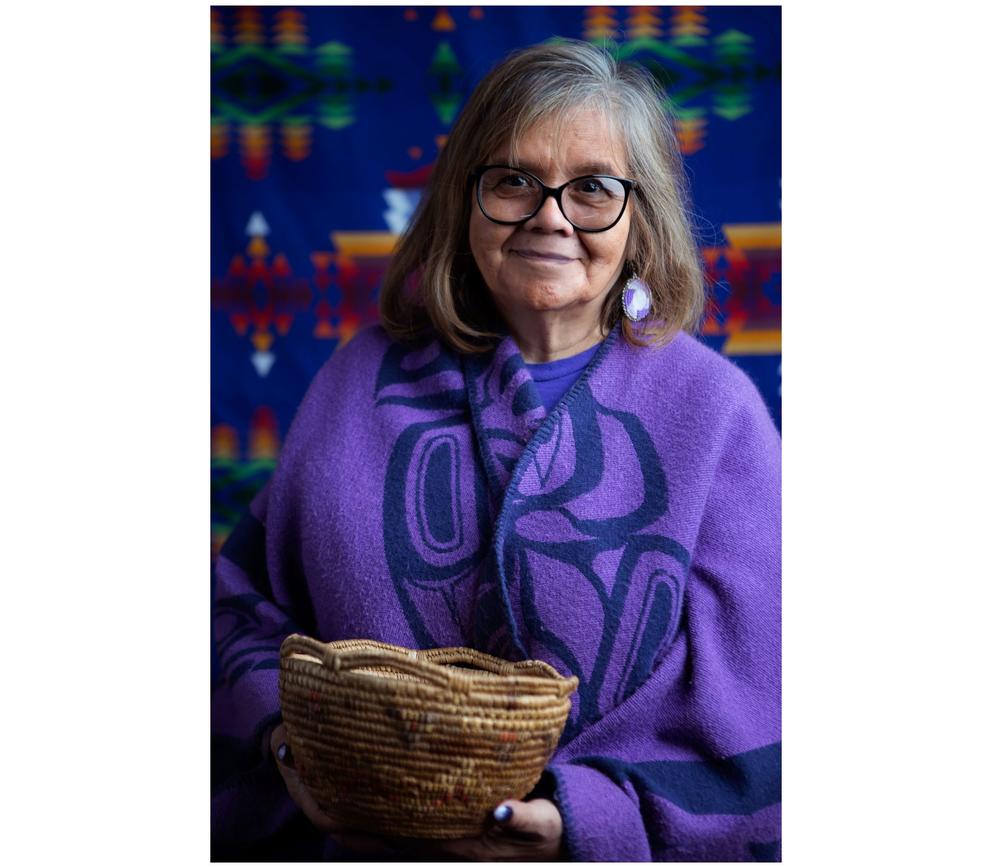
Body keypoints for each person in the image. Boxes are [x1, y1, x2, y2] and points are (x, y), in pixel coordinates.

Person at [212, 39, 781, 862]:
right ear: (463, 204)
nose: (550, 214)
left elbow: (759, 690)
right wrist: (284, 743)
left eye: (592, 189)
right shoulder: (356, 381)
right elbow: (235, 606)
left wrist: (586, 814)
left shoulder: (714, 412)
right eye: (513, 180)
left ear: (640, 218)